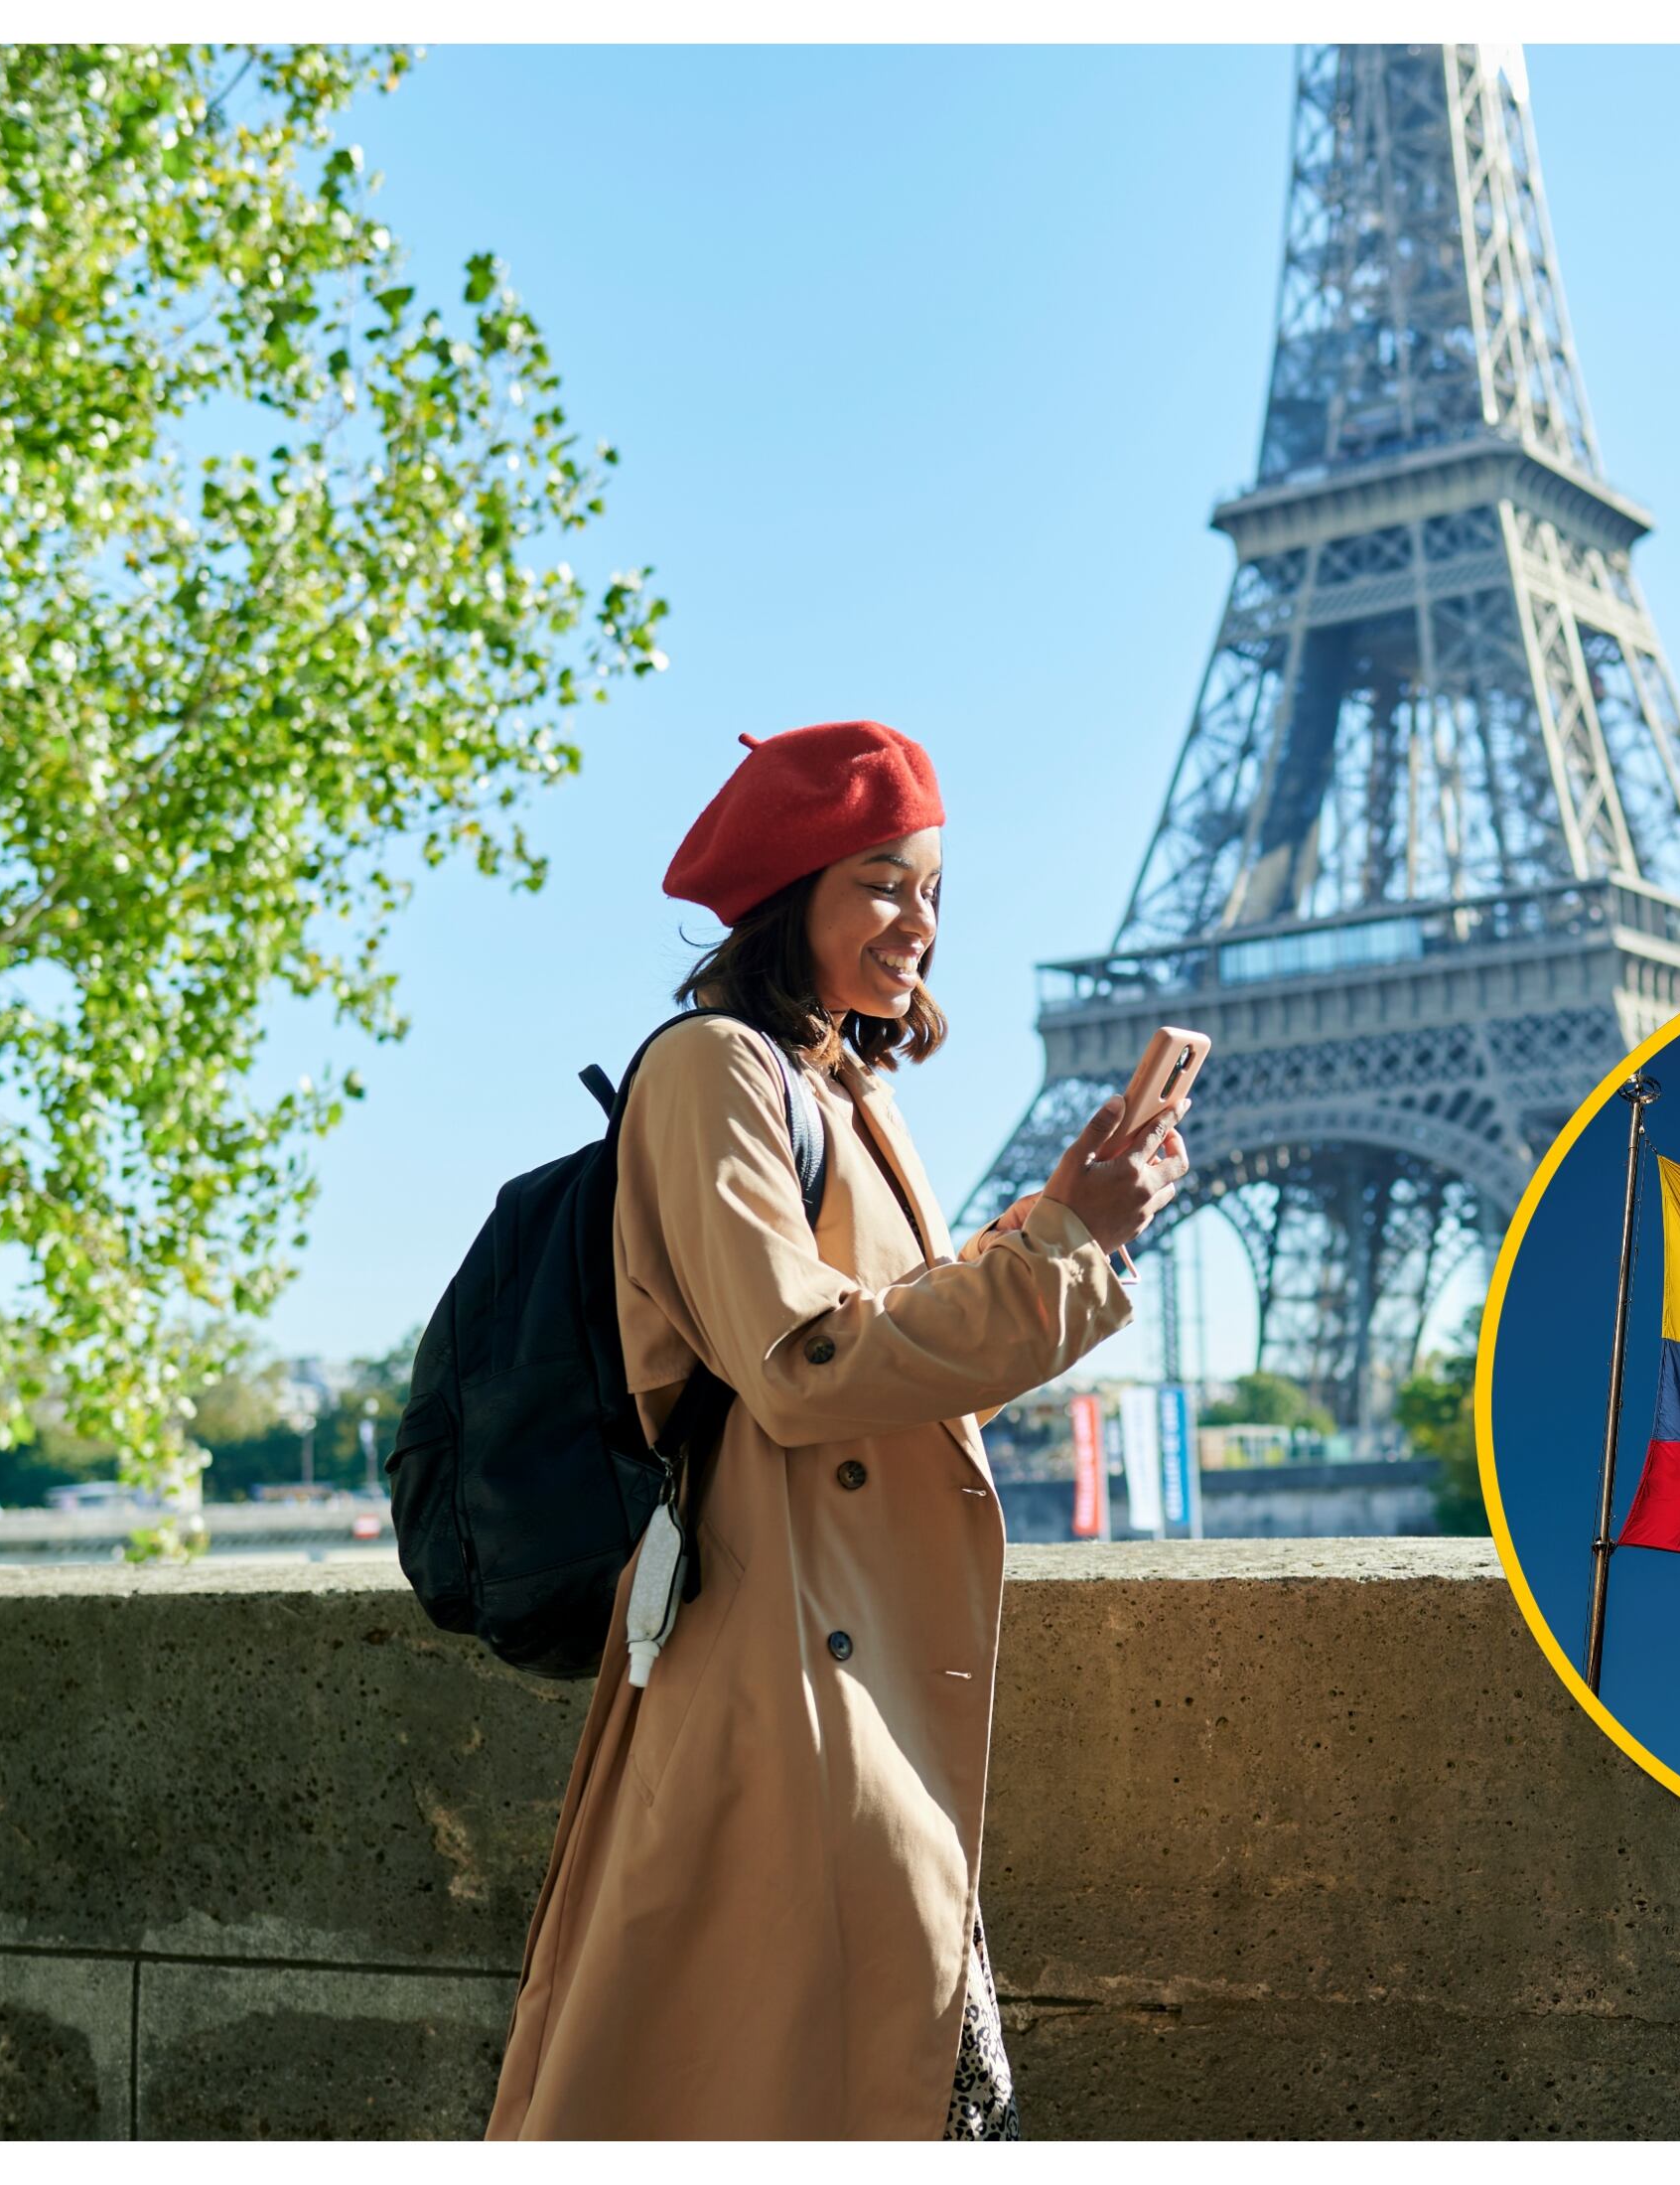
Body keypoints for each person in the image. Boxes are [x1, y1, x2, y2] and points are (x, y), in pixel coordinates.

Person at [485, 718, 1186, 2140]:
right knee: (869, 2079)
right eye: (880, 881)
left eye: (933, 889)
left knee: (894, 2075)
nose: (919, 921)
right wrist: (1053, 1245)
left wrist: (1063, 1234)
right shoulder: (712, 1073)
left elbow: (916, 1377)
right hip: (787, 1660)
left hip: (863, 1669)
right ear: (787, 894)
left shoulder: (853, 1095)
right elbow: (805, 1367)